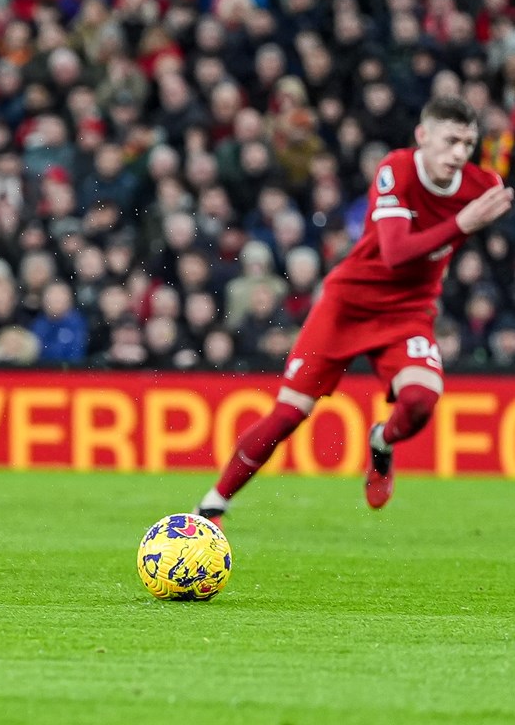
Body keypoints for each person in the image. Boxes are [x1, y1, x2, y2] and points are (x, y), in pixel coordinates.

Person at [195, 96, 511, 527]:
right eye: (451, 140)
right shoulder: (397, 169)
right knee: (289, 413)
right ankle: (214, 503)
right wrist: (463, 223)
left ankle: (382, 441)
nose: (458, 153)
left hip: (408, 311)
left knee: (420, 399)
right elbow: (397, 253)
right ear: (423, 136)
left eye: (468, 144)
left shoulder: (482, 187)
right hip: (348, 304)